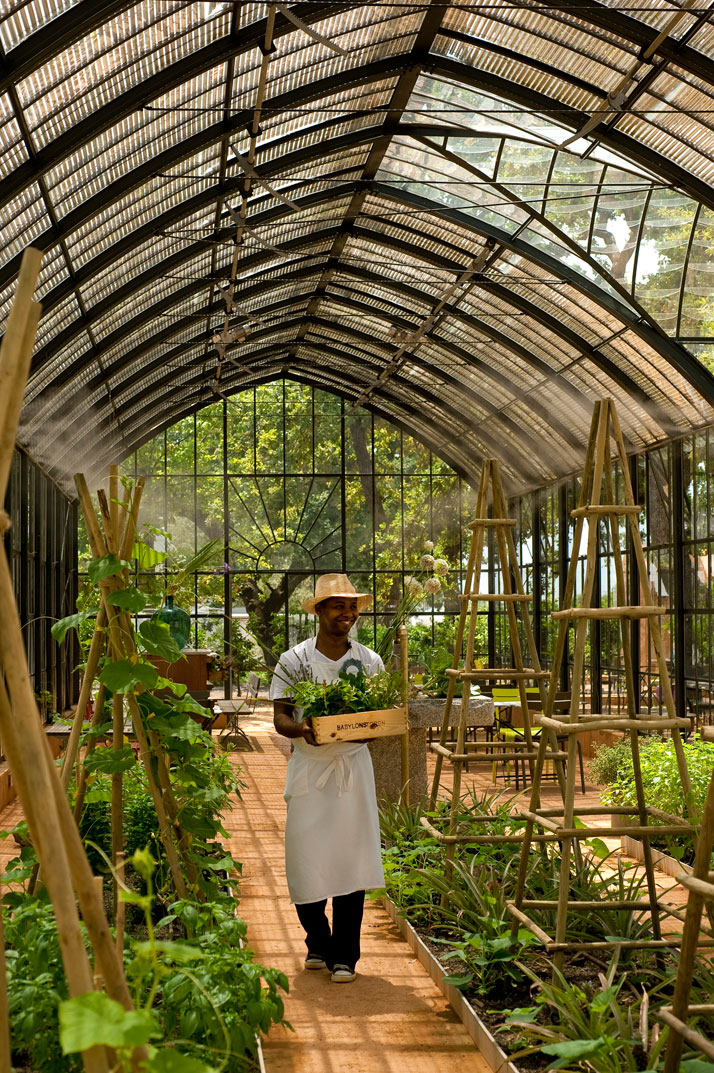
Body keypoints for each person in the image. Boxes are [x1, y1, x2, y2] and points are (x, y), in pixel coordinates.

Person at [270, 573, 385, 983]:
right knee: (306, 859)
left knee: (351, 859)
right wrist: (302, 730)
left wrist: (367, 727)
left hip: (353, 769)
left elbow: (377, 717)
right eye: (338, 606)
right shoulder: (295, 660)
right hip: (310, 768)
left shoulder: (369, 661)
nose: (348, 614)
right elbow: (281, 716)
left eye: (352, 606)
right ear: (319, 611)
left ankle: (345, 956)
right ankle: (317, 938)